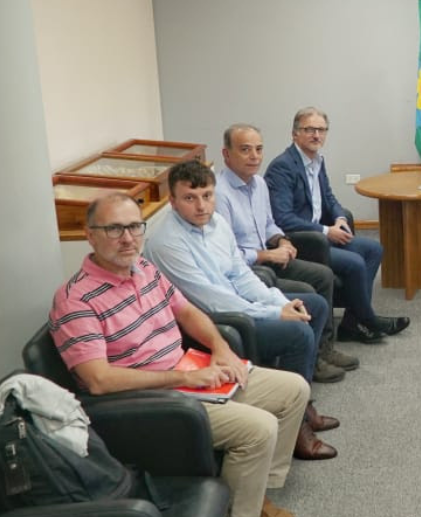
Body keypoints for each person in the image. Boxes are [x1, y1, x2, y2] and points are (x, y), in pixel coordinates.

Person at [50, 193, 308, 517]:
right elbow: (99, 380)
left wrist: (220, 348)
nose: (127, 238)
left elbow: (186, 312)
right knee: (259, 428)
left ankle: (255, 493)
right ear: (90, 235)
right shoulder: (75, 301)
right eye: (114, 229)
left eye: (134, 227)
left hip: (188, 373)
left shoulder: (144, 268)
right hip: (150, 400)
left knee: (293, 389)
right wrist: (182, 379)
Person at [143, 160, 337, 461]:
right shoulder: (166, 243)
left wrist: (278, 302)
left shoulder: (217, 224)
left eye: (207, 196)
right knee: (298, 333)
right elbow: (211, 301)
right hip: (217, 322)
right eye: (190, 198)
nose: (201, 206)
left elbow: (241, 275)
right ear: (173, 201)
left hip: (240, 304)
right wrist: (274, 314)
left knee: (316, 305)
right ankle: (297, 429)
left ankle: (301, 404)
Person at [215, 122, 359, 378]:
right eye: (245, 150)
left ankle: (323, 349)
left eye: (259, 149)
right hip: (248, 269)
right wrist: (266, 255)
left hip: (269, 257)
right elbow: (228, 254)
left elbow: (269, 223)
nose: (254, 156)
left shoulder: (259, 184)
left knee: (323, 275)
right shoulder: (219, 194)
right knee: (308, 292)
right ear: (226, 154)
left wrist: (282, 240)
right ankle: (312, 360)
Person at [265, 107, 407, 343]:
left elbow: (329, 198)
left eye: (321, 130)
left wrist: (340, 219)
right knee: (355, 262)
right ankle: (368, 320)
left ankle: (352, 323)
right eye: (309, 129)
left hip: (322, 234)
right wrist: (325, 231)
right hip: (303, 241)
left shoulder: (317, 161)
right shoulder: (283, 167)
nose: (316, 135)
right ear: (295, 134)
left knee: (374, 250)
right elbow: (283, 218)